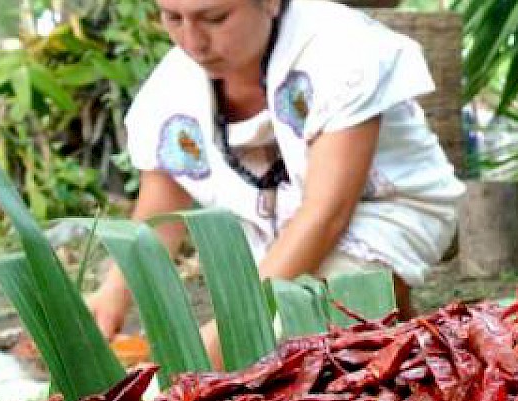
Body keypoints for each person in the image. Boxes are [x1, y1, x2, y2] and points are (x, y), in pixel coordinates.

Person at [87, 0, 464, 369]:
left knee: (316, 323)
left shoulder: (341, 46)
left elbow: (327, 214)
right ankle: (416, 354)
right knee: (304, 343)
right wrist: (111, 296)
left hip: (382, 209)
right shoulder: (173, 86)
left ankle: (394, 344)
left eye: (215, 18)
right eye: (173, 18)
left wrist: (231, 330)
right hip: (278, 230)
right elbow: (161, 211)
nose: (194, 41)